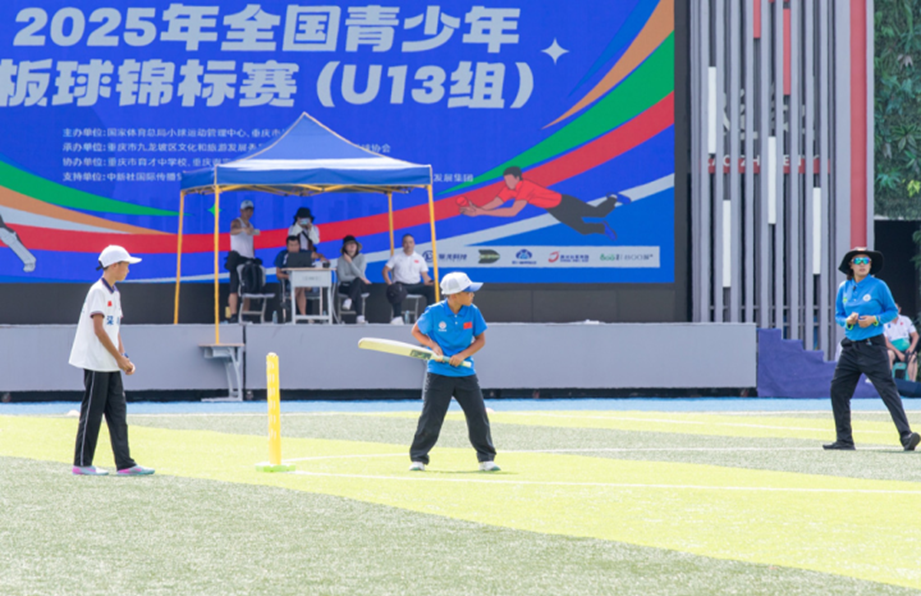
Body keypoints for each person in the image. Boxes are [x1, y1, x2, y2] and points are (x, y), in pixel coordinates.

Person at [68, 245, 154, 476]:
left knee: (118, 413)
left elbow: (114, 329)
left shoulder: (115, 293)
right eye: (126, 265)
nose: (128, 269)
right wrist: (119, 358)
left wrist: (123, 357)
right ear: (114, 265)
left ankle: (125, 463)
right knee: (92, 413)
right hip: (97, 362)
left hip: (110, 362)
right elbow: (98, 330)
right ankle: (82, 463)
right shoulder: (98, 291)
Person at [825, 247, 921, 451]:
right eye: (857, 261)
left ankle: (906, 435)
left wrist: (874, 319)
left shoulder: (879, 286)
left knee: (887, 390)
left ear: (870, 265)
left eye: (866, 261)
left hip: (872, 346)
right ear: (850, 265)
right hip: (850, 348)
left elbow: (891, 312)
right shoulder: (844, 287)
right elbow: (838, 316)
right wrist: (848, 321)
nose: (862, 264)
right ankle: (844, 440)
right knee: (838, 390)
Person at [408, 271, 498, 472]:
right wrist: (433, 345)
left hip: (465, 374)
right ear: (455, 295)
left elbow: (480, 340)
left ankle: (486, 459)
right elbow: (416, 331)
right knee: (431, 417)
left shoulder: (473, 311)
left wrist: (463, 355)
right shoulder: (434, 312)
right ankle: (418, 459)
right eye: (468, 291)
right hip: (438, 373)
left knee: (478, 416)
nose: (472, 294)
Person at [459, 166, 630, 241]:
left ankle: (612, 198)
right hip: (555, 210)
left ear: (518, 178)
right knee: (583, 230)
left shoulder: (526, 187)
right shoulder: (508, 189)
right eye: (505, 180)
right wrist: (478, 209)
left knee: (599, 213)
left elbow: (513, 211)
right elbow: (496, 202)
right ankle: (602, 228)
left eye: (510, 180)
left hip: (565, 202)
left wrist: (482, 212)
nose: (507, 183)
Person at [382, 233, 435, 324]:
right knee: (395, 289)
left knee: (430, 289)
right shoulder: (396, 257)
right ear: (402, 244)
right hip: (401, 285)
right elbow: (385, 271)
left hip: (416, 285)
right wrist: (390, 284)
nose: (408, 245)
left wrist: (428, 281)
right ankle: (397, 317)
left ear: (414, 244)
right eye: (406, 242)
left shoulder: (419, 258)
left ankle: (430, 317)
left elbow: (425, 275)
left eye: (410, 242)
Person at [228, 199, 260, 323]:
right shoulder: (236, 222)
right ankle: (233, 314)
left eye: (250, 210)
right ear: (241, 211)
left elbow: (251, 243)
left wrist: (253, 256)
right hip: (237, 258)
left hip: (249, 259)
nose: (248, 213)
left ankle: (245, 313)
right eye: (246, 210)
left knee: (248, 288)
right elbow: (232, 231)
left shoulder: (251, 226)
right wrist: (242, 229)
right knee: (234, 287)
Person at [336, 235, 371, 324]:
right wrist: (357, 278)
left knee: (357, 282)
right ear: (345, 247)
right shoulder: (340, 260)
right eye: (349, 244)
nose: (352, 246)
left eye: (354, 244)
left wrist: (350, 262)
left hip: (360, 284)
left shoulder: (362, 257)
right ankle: (359, 316)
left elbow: (360, 274)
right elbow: (342, 277)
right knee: (357, 284)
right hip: (346, 285)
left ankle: (349, 300)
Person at [274, 236, 308, 318]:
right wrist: (290, 277)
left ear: (299, 245)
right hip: (290, 283)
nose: (294, 247)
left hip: (308, 282)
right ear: (287, 246)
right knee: (300, 285)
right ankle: (304, 316)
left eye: (296, 245)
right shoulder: (282, 255)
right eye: (291, 245)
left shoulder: (305, 254)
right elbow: (278, 274)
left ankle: (289, 300)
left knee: (301, 282)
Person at [884, 303, 919, 380]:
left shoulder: (906, 319)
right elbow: (886, 342)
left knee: (912, 357)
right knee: (888, 354)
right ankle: (889, 381)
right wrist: (898, 353)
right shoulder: (885, 323)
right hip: (893, 350)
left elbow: (915, 335)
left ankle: (911, 383)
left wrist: (911, 348)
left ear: (899, 310)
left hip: (906, 349)